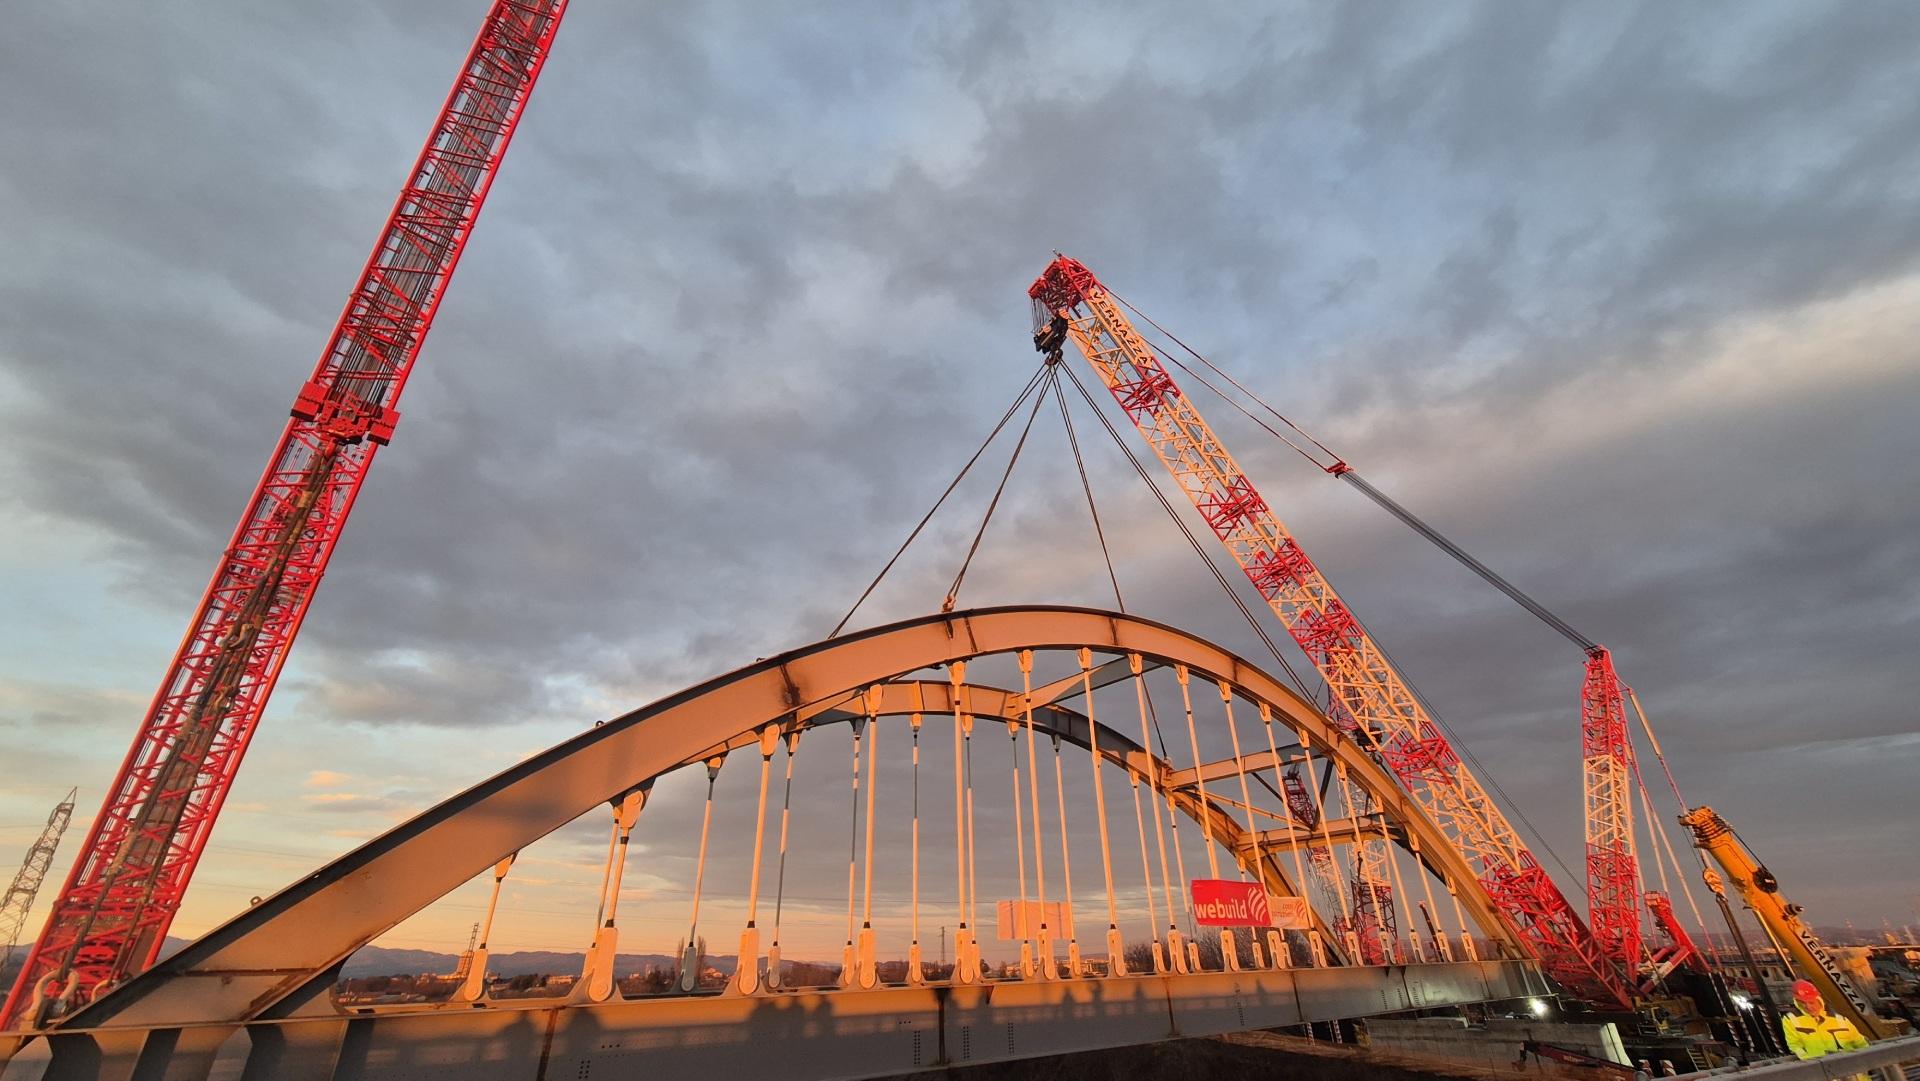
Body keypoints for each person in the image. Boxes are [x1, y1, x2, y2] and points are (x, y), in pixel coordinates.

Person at [1781, 979, 1868, 1072]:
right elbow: (1795, 1046)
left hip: (1852, 1071)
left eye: (1811, 1002)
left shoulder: (1839, 1019)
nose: (1808, 1007)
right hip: (1822, 1072)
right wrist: (1813, 1065)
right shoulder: (1791, 1020)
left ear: (1818, 1000)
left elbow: (1861, 1043)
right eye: (1802, 1003)